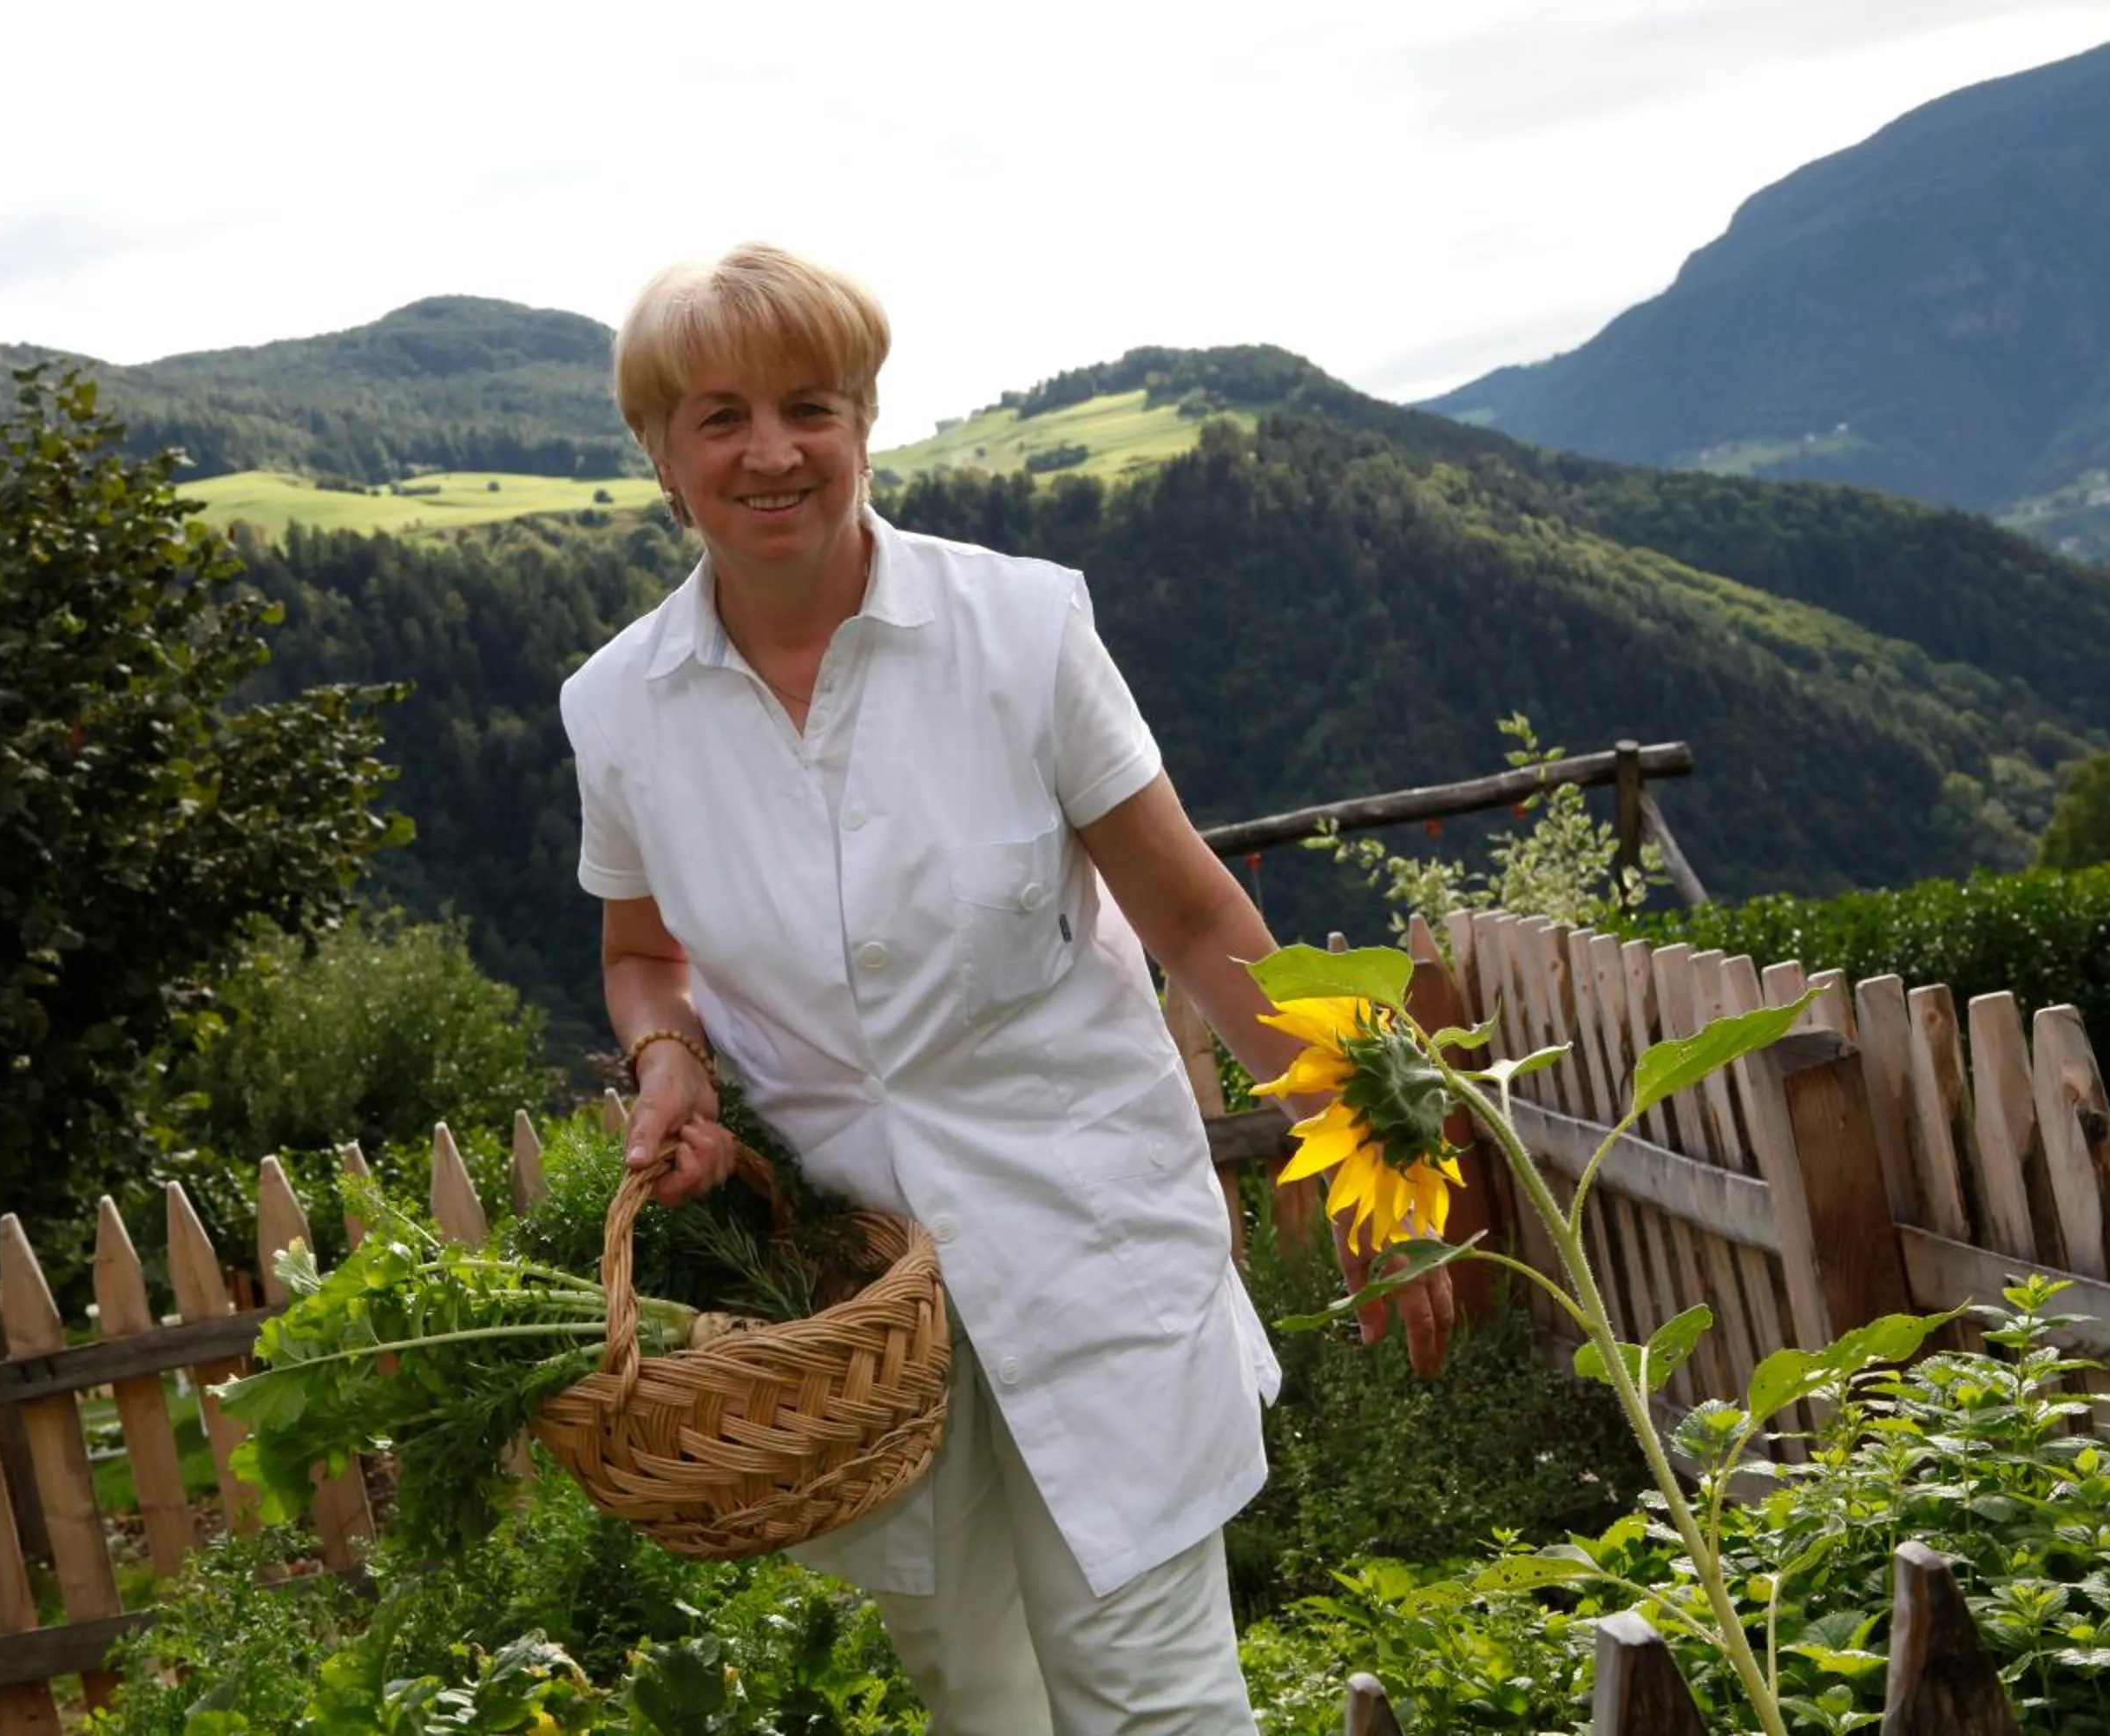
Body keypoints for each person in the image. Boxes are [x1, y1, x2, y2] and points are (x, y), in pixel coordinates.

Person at [558, 243, 1451, 1734]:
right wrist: (672, 1060)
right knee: (976, 1698)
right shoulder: (619, 708)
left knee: (1154, 1696)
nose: (771, 451)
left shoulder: (1022, 631)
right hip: (857, 1296)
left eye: (810, 405)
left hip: (1086, 1227)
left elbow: (1190, 908)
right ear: (658, 452)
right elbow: (642, 951)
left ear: (865, 420)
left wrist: (1381, 1156)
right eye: (719, 417)